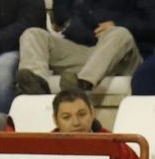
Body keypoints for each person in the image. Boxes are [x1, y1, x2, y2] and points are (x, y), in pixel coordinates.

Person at [16, 0, 149, 95]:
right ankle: (36, 86)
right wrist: (72, 25)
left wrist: (116, 24)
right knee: (33, 34)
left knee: (120, 33)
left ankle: (81, 86)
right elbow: (61, 14)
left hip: (122, 54)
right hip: (84, 52)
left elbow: (150, 21)